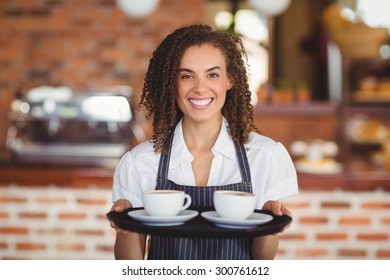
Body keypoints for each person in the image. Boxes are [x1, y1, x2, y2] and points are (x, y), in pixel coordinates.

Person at [109, 24, 298, 260]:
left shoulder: (265, 156)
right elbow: (130, 267)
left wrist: (270, 227)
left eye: (212, 75)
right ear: (171, 83)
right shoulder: (139, 163)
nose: (200, 88)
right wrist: (126, 226)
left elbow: (262, 261)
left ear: (230, 79)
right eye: (187, 76)